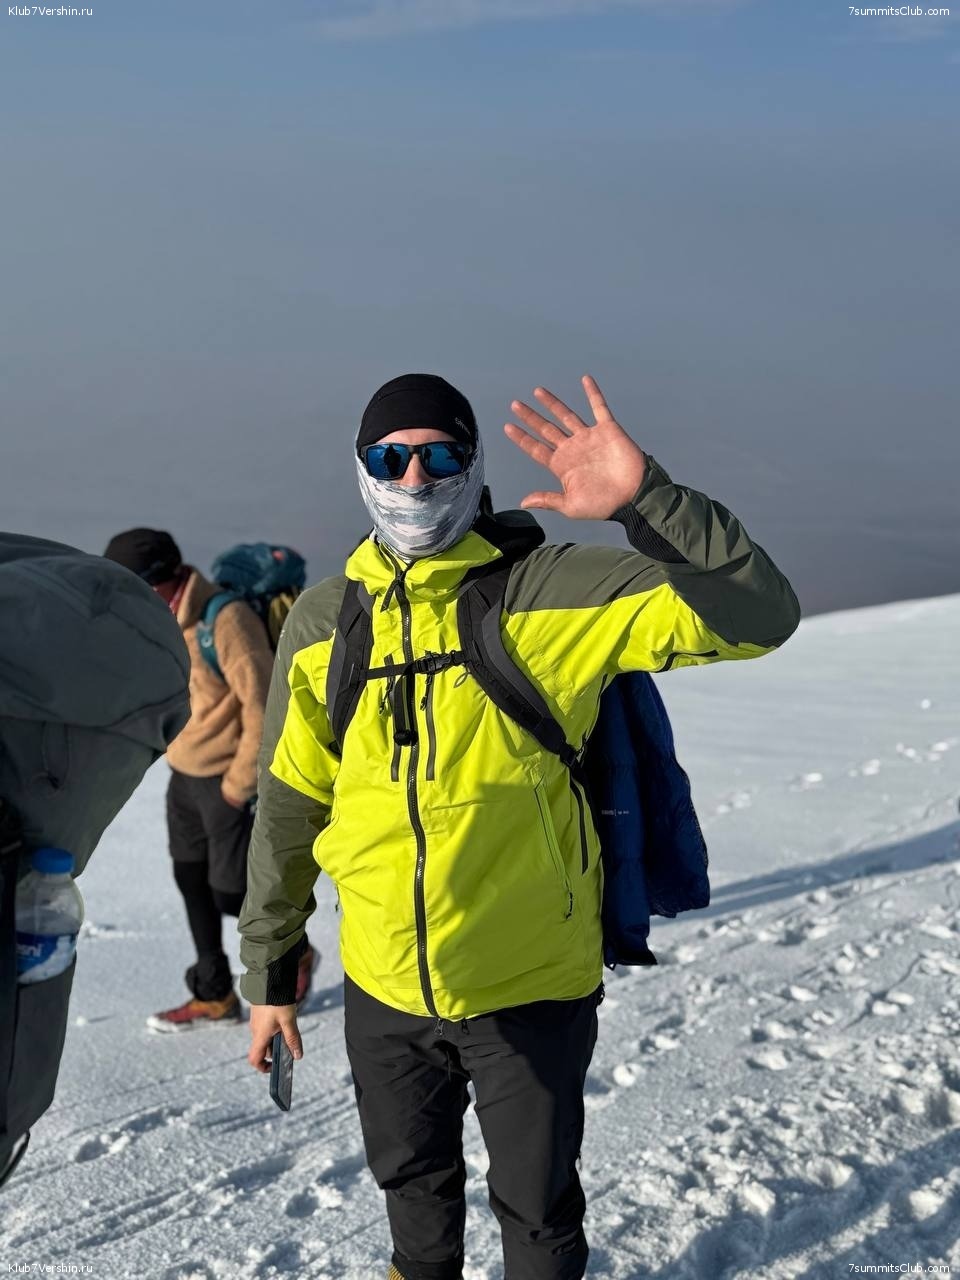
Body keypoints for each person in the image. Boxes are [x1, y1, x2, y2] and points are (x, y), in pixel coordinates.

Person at [238, 373, 801, 1280]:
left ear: (473, 466)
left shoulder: (548, 592)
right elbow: (291, 806)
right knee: (411, 1192)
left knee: (537, 1212)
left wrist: (647, 501)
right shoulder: (323, 621)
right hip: (384, 985)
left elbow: (758, 616)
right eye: (391, 458)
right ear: (362, 469)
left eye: (440, 456)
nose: (415, 478)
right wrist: (270, 972)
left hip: (530, 983)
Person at [1, 533, 190, 1187]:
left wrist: (235, 775)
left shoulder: (222, 618)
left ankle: (222, 985)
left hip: (213, 778)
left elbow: (255, 699)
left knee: (212, 883)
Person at [103, 529, 317, 1030]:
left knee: (230, 892)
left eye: (131, 587)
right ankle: (214, 993)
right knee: (190, 881)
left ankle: (297, 952)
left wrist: (238, 786)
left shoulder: (225, 619)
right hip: (184, 777)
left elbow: (263, 708)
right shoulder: (158, 619)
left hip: (227, 780)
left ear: (161, 580)